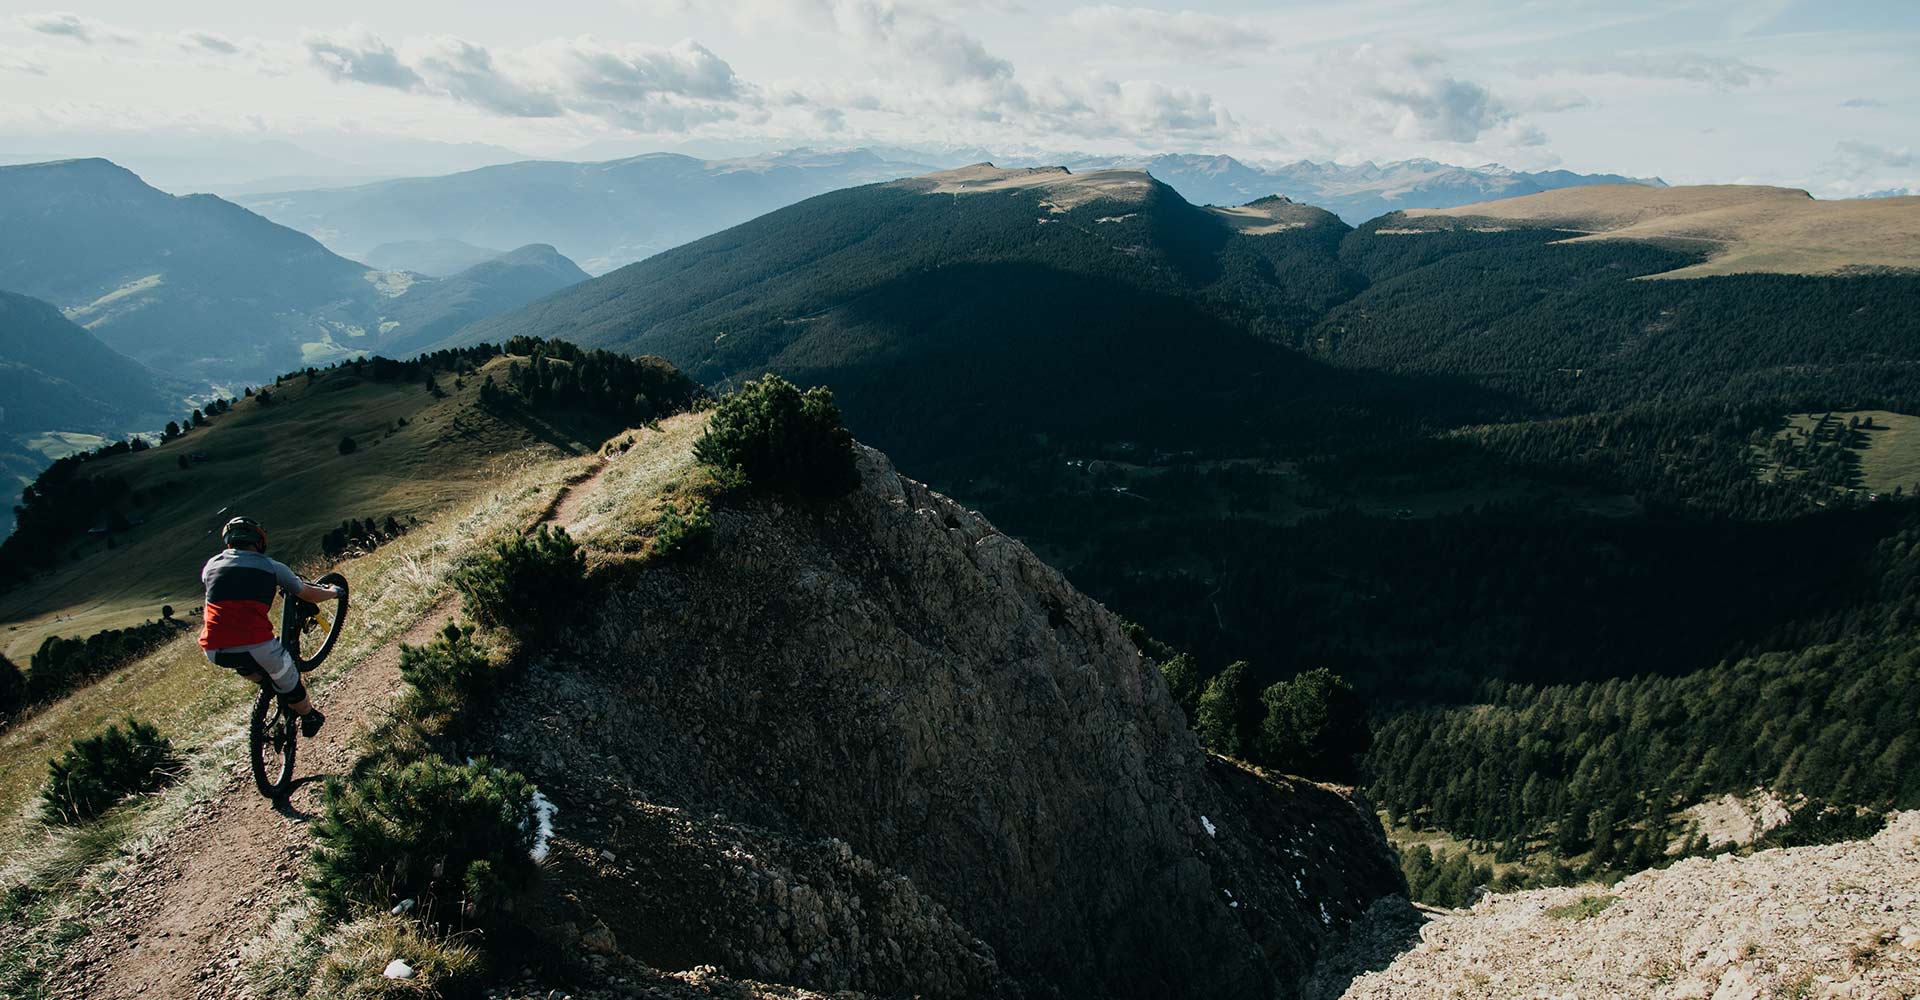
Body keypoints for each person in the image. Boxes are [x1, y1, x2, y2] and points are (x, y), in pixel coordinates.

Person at [199, 516, 344, 737]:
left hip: (213, 649)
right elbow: (308, 594)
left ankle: (271, 689)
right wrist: (334, 592)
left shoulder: (211, 566)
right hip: (256, 645)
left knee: (257, 671)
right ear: (259, 541)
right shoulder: (271, 567)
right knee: (292, 684)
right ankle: (309, 716)